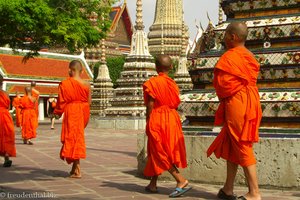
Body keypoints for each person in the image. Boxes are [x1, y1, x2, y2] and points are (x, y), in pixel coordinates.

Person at [207, 22, 262, 200]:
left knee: (242, 145)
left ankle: (254, 193)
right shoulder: (250, 56)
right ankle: (228, 188)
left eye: (225, 35)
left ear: (233, 37)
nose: (223, 39)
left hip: (238, 103)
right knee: (233, 146)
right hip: (250, 102)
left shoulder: (230, 57)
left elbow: (222, 86)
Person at [143, 55, 191, 198]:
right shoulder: (173, 83)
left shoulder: (152, 83)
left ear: (156, 67)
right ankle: (153, 183)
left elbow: (151, 104)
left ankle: (180, 180)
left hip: (158, 117)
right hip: (172, 118)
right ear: (171, 67)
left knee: (159, 151)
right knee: (156, 149)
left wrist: (148, 120)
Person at [54, 60, 91, 178]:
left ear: (70, 69)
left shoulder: (65, 83)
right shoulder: (87, 84)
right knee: (76, 138)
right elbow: (89, 102)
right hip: (82, 111)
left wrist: (58, 113)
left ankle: (78, 170)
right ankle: (74, 168)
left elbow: (61, 101)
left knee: (72, 138)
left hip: (71, 112)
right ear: (82, 71)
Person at [0, 76, 16, 167]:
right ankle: (6, 157)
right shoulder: (5, 93)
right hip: (5, 116)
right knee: (6, 135)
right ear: (2, 82)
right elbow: (8, 107)